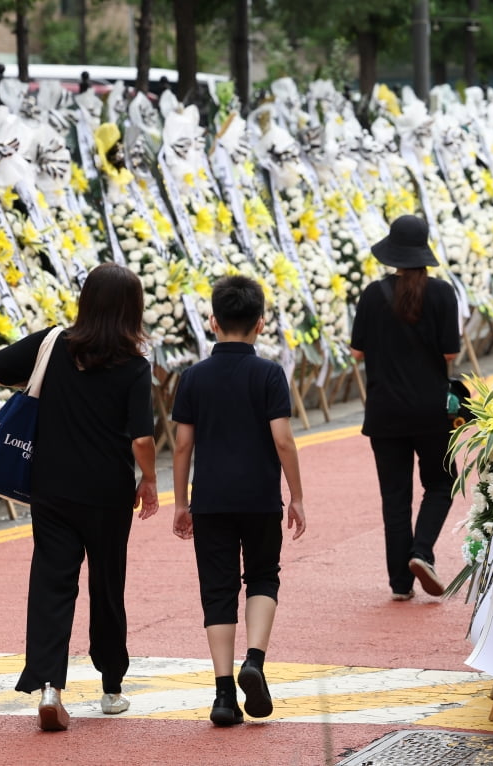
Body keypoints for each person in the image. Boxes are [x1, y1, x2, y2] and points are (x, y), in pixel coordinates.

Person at [0, 262, 159, 731]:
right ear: (131, 310)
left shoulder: (53, 343)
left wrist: (43, 390)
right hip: (107, 493)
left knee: (52, 583)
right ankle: (112, 688)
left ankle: (49, 687)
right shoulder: (136, 366)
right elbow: (141, 438)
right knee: (106, 583)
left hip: (51, 488)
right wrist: (150, 480)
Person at [170, 275, 307, 727]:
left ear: (213, 322)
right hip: (260, 497)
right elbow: (283, 441)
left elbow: (183, 446)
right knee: (264, 576)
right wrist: (297, 496)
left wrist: (180, 503)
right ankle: (255, 660)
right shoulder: (269, 374)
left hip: (209, 500)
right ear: (260, 324)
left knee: (218, 590)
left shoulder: (192, 378)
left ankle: (223, 695)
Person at [349, 214, 461, 601]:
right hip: (432, 411)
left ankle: (400, 583)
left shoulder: (372, 294)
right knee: (442, 483)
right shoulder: (443, 294)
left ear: (392, 252)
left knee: (395, 497)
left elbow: (357, 350)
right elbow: (450, 352)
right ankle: (422, 550)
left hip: (384, 413)